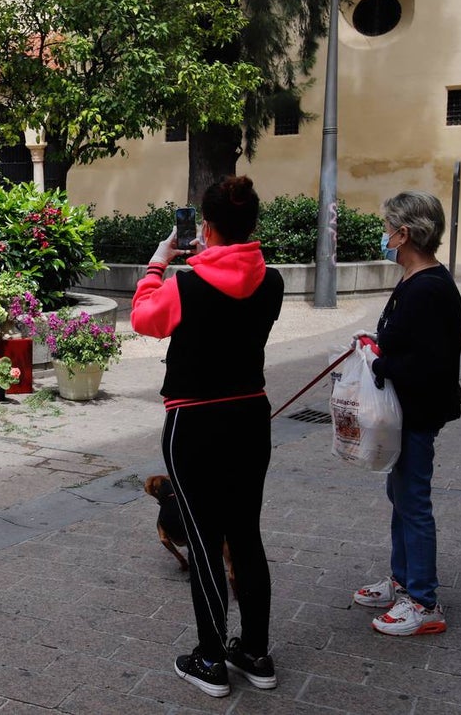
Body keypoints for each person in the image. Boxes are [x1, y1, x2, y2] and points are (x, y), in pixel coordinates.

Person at [130, 176, 283, 698]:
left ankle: (211, 659)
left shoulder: (185, 284)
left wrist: (158, 263)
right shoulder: (274, 282)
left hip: (194, 424)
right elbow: (237, 289)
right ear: (254, 226)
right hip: (250, 419)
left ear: (207, 227)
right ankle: (255, 653)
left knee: (202, 540)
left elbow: (143, 320)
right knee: (245, 536)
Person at [351, 191, 461, 636]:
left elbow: (427, 364)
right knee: (400, 496)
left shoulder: (429, 288)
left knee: (413, 501)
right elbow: (407, 343)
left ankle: (423, 601)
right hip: (405, 412)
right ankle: (403, 581)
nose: (384, 235)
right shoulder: (416, 281)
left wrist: (377, 362)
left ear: (407, 233)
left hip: (417, 412)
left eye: (388, 228)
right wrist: (375, 345)